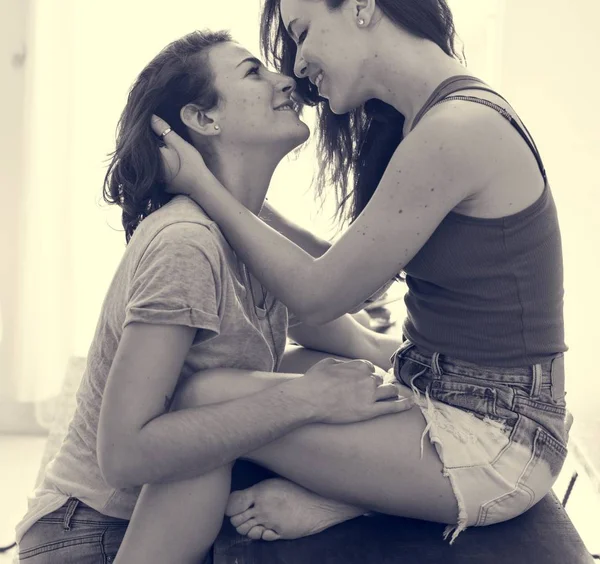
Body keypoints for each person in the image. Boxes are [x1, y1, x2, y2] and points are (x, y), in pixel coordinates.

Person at [150, 0, 571, 547]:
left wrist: (204, 186)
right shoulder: (433, 115)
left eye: (301, 34)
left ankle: (357, 500)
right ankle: (367, 491)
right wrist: (243, 203)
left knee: (206, 397)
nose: (298, 66)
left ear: (362, 7)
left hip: (498, 441)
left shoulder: (455, 129)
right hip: (439, 388)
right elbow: (360, 278)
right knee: (280, 364)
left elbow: (317, 294)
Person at [15, 30, 413, 564]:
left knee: (311, 363)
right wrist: (309, 398)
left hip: (150, 514)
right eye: (254, 72)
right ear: (204, 119)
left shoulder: (243, 231)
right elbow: (124, 453)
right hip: (92, 531)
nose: (285, 78)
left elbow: (339, 295)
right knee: (248, 396)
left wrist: (420, 365)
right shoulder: (187, 243)